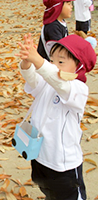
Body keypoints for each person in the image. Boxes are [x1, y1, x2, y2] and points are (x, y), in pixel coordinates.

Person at [16, 34, 96, 199]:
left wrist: (39, 60)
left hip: (63, 164)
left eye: (61, 62)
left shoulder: (78, 89)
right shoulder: (48, 82)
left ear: (79, 67)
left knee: (69, 195)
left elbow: (59, 83)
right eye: (52, 60)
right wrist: (27, 62)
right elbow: (32, 79)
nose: (54, 65)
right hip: (40, 156)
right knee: (48, 190)